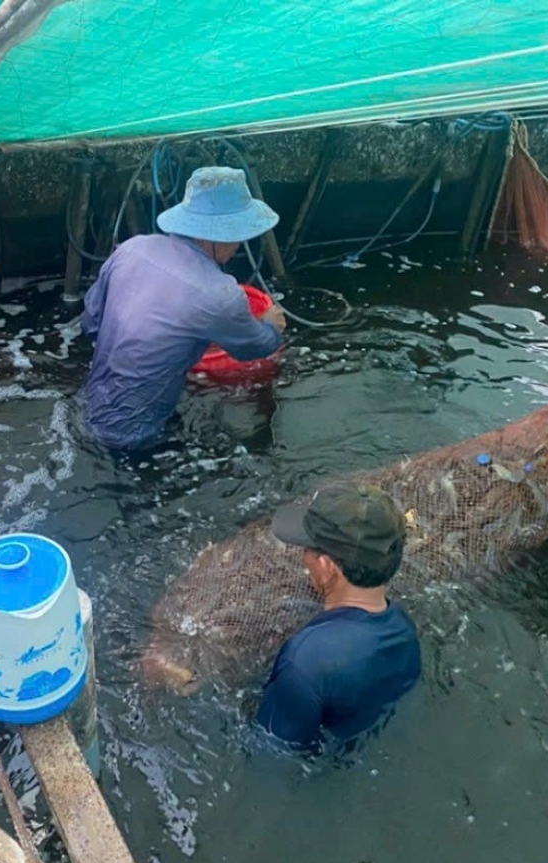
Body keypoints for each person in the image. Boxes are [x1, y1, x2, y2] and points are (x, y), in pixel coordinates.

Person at [80, 166, 287, 450]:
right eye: (239, 234)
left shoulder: (133, 249)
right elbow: (254, 347)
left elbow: (91, 323)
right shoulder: (220, 294)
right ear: (220, 233)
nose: (240, 244)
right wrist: (272, 324)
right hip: (135, 433)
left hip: (90, 405)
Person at [256, 484, 422, 751]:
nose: (302, 556)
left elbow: (271, 750)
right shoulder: (404, 627)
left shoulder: (303, 661)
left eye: (307, 548)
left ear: (326, 567)